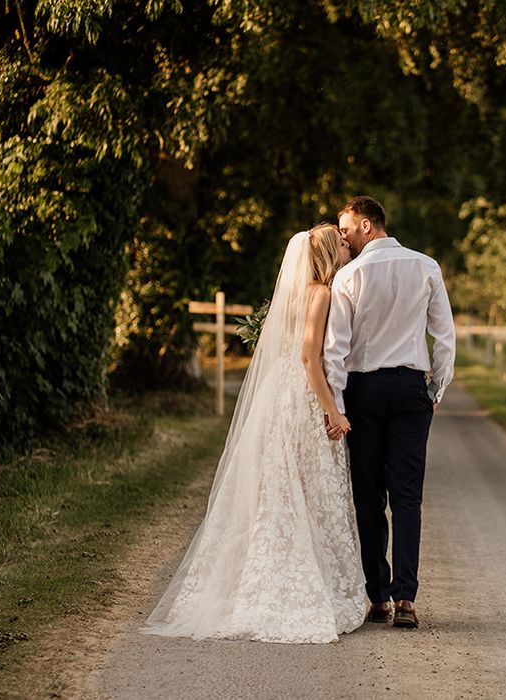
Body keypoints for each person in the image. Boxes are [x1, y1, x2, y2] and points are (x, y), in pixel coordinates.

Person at [141, 224, 367, 643]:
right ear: (324, 254)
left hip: (278, 395)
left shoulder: (298, 294)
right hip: (302, 396)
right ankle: (294, 583)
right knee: (308, 487)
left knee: (281, 488)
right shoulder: (320, 293)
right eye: (340, 242)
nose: (346, 245)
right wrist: (333, 411)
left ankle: (264, 574)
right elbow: (308, 357)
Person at [324, 196, 455, 629]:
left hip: (363, 391)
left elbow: (335, 350)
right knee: (407, 497)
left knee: (368, 494)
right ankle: (406, 601)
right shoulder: (427, 266)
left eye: (344, 229)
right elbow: (444, 334)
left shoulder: (349, 275)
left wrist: (338, 405)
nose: (341, 236)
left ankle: (378, 597)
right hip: (410, 389)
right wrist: (437, 386)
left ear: (365, 225)